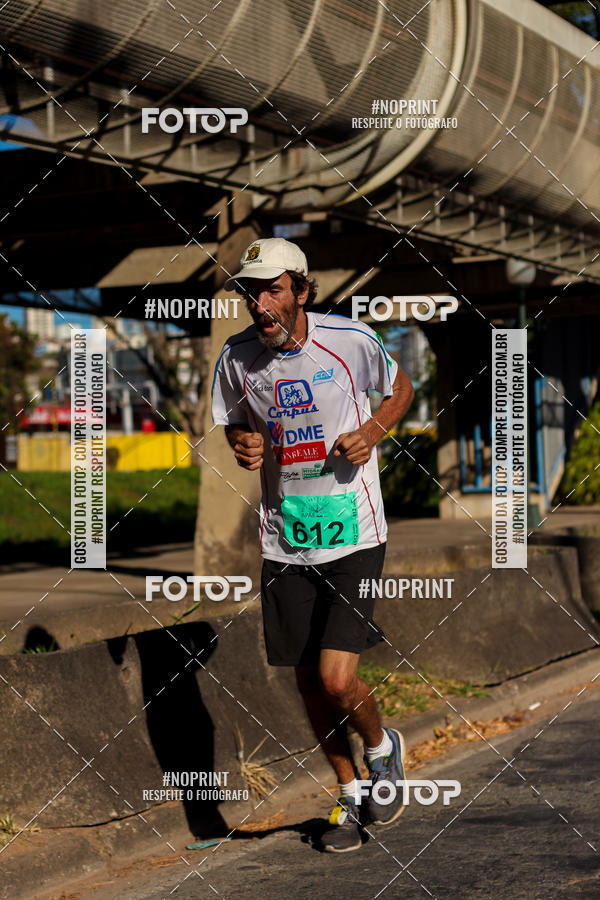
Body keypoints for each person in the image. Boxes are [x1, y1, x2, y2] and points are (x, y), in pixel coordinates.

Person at [211, 237, 415, 852]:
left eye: (273, 290)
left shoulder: (349, 340)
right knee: (306, 681)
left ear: (301, 289)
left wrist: (372, 431)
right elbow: (236, 424)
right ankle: (349, 792)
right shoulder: (237, 357)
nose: (261, 304)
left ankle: (381, 748)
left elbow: (400, 388)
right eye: (251, 293)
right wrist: (242, 445)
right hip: (285, 536)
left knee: (334, 678)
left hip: (353, 531)